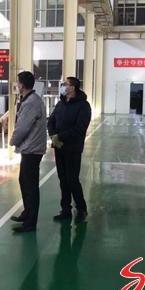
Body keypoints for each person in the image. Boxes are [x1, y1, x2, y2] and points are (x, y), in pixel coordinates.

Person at [48, 77, 92, 223]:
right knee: (63, 179)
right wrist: (53, 135)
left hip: (73, 148)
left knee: (72, 180)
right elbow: (51, 120)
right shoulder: (61, 103)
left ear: (73, 88)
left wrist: (60, 136)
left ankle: (81, 209)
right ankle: (65, 209)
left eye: (65, 84)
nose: (63, 86)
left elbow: (80, 128)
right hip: (59, 147)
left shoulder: (83, 106)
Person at [9, 71, 47, 233]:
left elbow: (23, 127)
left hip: (32, 149)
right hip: (31, 148)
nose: (17, 85)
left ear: (22, 85)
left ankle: (30, 223)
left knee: (30, 186)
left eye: (18, 82)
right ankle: (27, 213)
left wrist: (13, 141)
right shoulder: (31, 99)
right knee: (24, 181)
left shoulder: (31, 102)